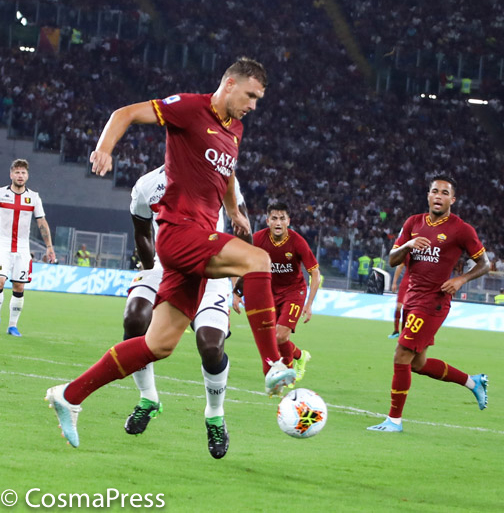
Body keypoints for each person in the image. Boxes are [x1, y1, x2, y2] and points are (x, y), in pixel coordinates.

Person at [45, 57, 296, 450]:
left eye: (258, 99)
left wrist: (232, 208)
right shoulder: (190, 108)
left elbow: (226, 172)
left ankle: (70, 396)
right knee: (259, 259)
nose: (253, 105)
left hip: (199, 239)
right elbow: (125, 113)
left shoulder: (236, 128)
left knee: (158, 344)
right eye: (250, 95)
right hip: (180, 233)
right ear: (229, 84)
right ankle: (272, 365)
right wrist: (104, 148)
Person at [122, 165, 248, 459]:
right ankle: (147, 398)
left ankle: (215, 416)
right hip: (165, 269)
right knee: (134, 318)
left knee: (211, 346)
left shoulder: (221, 176)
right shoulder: (147, 185)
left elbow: (244, 228)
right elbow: (141, 232)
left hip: (210, 270)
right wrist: (151, 269)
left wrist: (240, 281)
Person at [367, 175, 490, 433]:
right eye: (435, 191)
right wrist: (409, 244)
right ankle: (473, 382)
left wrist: (460, 280)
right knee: (417, 364)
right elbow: (391, 259)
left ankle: (394, 421)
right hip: (412, 300)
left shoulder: (461, 229)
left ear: (452, 200)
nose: (438, 196)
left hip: (434, 302)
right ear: (428, 195)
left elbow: (484, 264)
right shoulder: (413, 223)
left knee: (401, 355)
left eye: (445, 193)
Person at [234, 202, 320, 383]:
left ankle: (287, 373)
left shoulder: (297, 242)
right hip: (269, 294)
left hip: (294, 292)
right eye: (274, 218)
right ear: (268, 221)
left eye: (282, 218)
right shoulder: (257, 239)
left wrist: (309, 303)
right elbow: (241, 264)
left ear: (288, 221)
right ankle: (300, 356)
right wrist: (236, 293)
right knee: (272, 338)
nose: (278, 222)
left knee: (280, 335)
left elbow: (315, 272)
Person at [0, 159, 57, 337]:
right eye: (17, 172)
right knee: (0, 281)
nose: (20, 175)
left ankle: (12, 326)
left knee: (18, 286)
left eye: (23, 172)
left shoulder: (33, 197)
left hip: (23, 248)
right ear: (11, 174)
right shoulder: (1, 194)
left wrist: (49, 246)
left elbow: (41, 222)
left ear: (27, 175)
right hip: (2, 244)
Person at [387, 254, 410, 339]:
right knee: (398, 306)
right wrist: (394, 282)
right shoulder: (408, 252)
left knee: (408, 308)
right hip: (406, 281)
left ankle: (405, 331)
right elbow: (400, 266)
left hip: (417, 282)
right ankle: (396, 331)